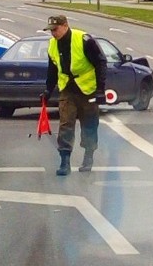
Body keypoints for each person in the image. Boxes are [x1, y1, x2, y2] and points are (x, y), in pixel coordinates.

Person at [40, 15, 107, 176]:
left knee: (89, 125)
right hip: (67, 90)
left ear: (65, 26)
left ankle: (88, 157)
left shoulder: (83, 40)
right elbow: (53, 70)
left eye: (55, 30)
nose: (53, 34)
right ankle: (65, 162)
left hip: (87, 90)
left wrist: (100, 90)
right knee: (65, 125)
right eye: (51, 31)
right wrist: (48, 90)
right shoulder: (52, 45)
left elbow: (101, 62)